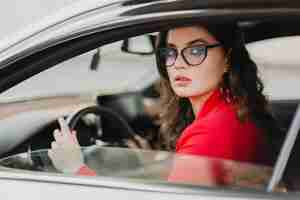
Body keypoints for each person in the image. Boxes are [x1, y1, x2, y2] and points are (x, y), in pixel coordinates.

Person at [49, 23, 278, 183]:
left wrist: (75, 168)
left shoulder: (210, 133)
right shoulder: (235, 110)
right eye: (170, 53)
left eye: (196, 50)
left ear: (227, 59)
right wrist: (152, 167)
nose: (178, 63)